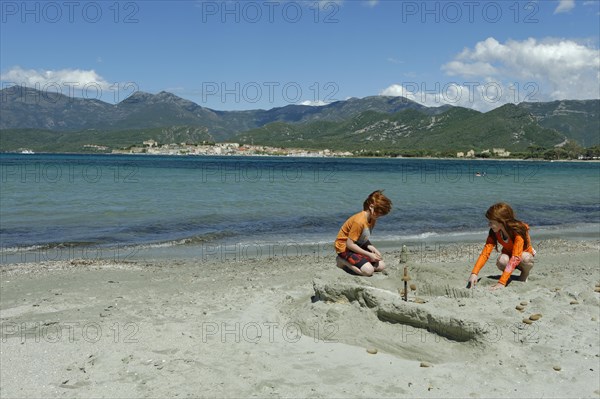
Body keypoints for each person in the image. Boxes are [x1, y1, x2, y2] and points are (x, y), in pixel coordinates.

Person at [468, 202, 535, 290]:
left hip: (522, 257)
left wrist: (501, 282)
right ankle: (507, 276)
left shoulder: (518, 232)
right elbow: (485, 253)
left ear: (502, 221)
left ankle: (524, 275)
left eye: (491, 222)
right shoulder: (494, 232)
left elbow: (516, 257)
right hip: (509, 255)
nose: (489, 225)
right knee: (501, 260)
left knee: (526, 257)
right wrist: (474, 273)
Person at [335, 190, 392, 276]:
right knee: (369, 271)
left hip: (357, 245)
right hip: (344, 248)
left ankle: (362, 263)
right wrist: (369, 254)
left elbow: (363, 237)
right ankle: (342, 260)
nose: (379, 216)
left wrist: (372, 248)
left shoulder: (372, 219)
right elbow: (349, 244)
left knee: (381, 266)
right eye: (379, 213)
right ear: (371, 207)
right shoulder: (359, 221)